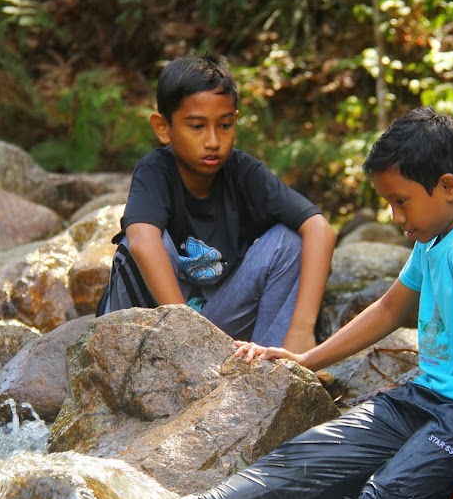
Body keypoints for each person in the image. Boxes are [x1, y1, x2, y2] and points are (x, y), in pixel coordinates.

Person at [195, 107, 453, 499]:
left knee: (383, 498)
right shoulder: (438, 234)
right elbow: (390, 308)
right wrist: (305, 358)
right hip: (431, 396)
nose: (394, 215)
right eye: (388, 201)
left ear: (447, 186)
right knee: (308, 458)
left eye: (401, 201)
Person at [97, 53, 336, 351]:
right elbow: (143, 242)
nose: (212, 140)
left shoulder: (245, 173)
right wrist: (187, 332)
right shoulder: (155, 170)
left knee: (291, 241)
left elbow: (320, 229)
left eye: (224, 126)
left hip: (217, 322)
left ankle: (272, 368)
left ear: (235, 121)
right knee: (136, 244)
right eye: (197, 126)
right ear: (163, 127)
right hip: (152, 325)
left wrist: (302, 329)